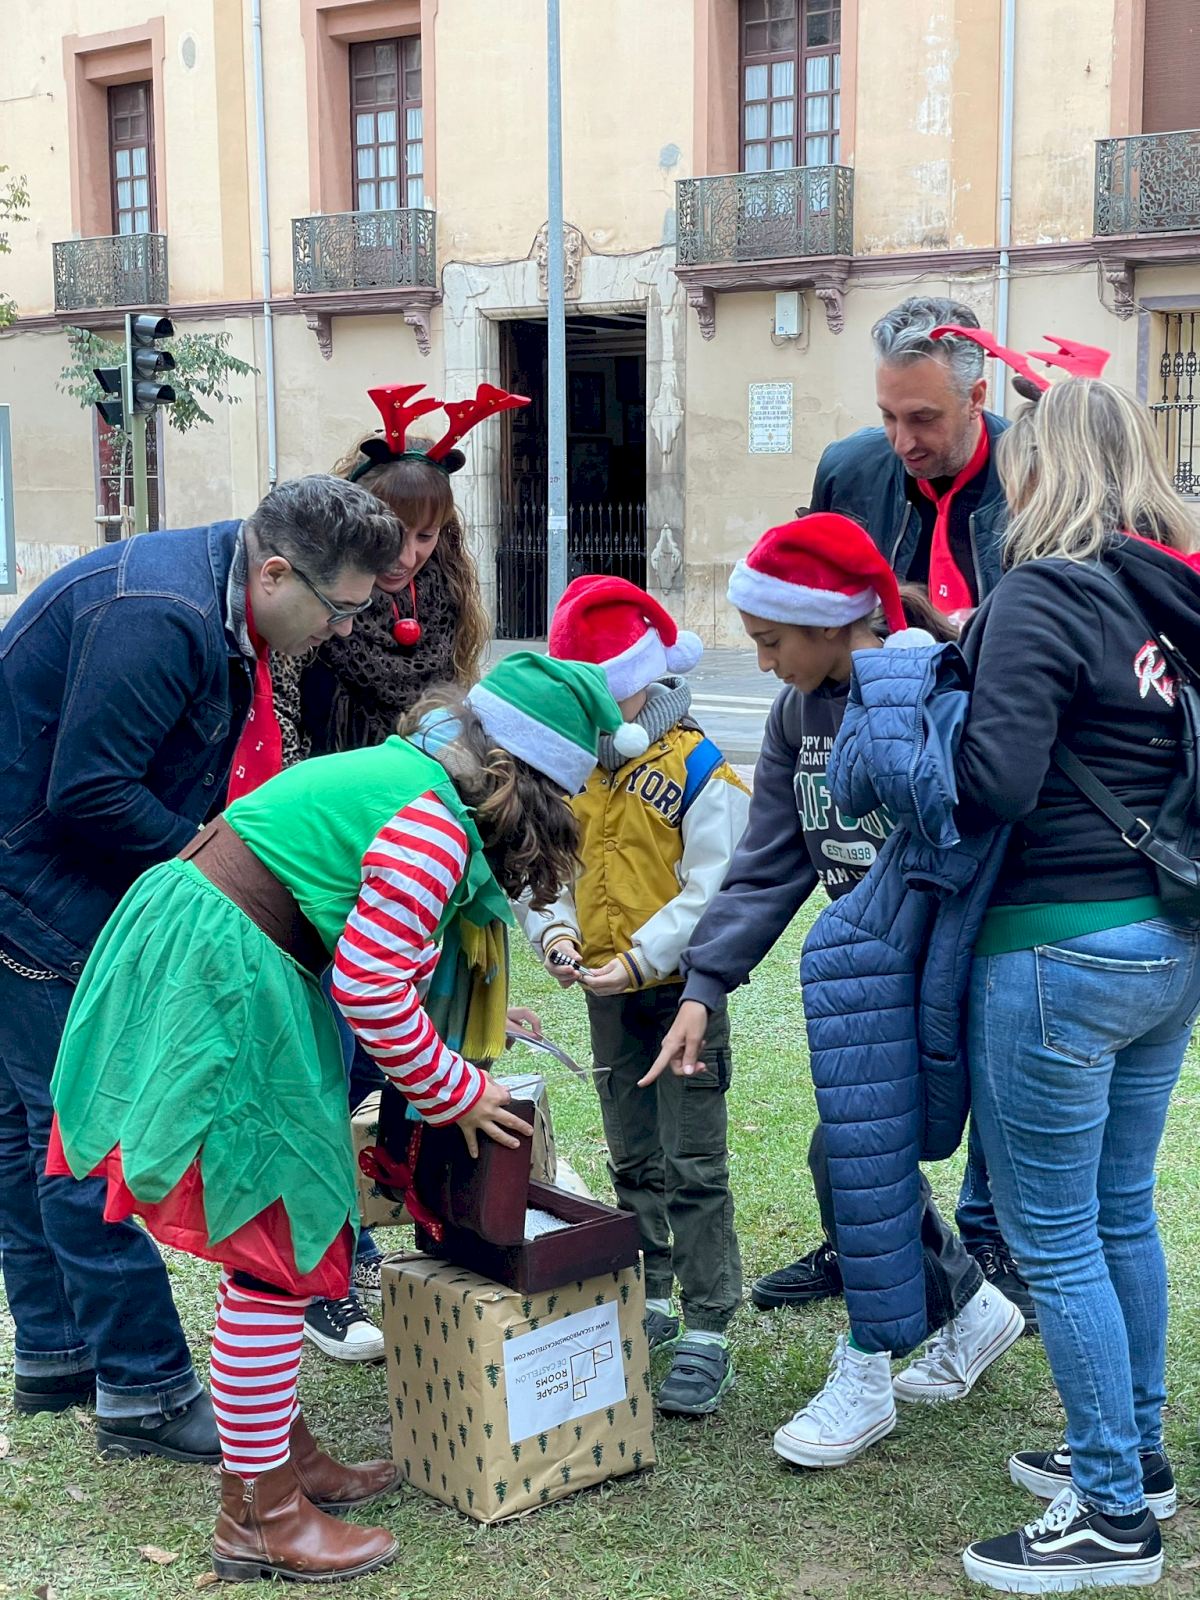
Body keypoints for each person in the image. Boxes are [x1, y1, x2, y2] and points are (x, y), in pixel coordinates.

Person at [47, 651, 641, 1583]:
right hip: (230, 968)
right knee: (277, 1244)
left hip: (223, 944)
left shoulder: (415, 775)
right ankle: (260, 1515)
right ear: (535, 791)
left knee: (279, 1232)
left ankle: (280, 1458)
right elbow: (369, 986)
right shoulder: (433, 828)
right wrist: (458, 1090)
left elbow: (376, 948)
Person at [0, 476, 403, 1464]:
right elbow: (91, 791)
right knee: (80, 1133)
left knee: (22, 1127)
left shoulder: (212, 597)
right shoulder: (163, 617)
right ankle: (143, 1389)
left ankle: (57, 1349)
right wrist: (213, 866)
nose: (342, 631)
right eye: (339, 607)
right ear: (276, 571)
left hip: (40, 870)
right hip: (34, 885)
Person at [649, 516, 1023, 1469]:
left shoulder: (935, 687)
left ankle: (901, 1353)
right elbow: (770, 860)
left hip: (959, 968)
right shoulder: (794, 715)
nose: (764, 663)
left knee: (888, 1158)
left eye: (772, 641)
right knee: (847, 1154)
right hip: (876, 974)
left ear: (830, 623)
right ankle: (963, 1310)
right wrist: (704, 985)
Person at [949, 375, 1200, 1591]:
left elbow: (995, 780)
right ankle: (1136, 1459)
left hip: (1057, 945)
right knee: (1119, 1212)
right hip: (1166, 943)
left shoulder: (1046, 591)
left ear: (1038, 469)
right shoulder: (1170, 602)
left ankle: (1110, 1514)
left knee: (1053, 1235)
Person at [756, 293, 1032, 1327]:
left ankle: (990, 1239)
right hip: (882, 780)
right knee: (870, 1035)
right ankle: (866, 1235)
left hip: (993, 785)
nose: (904, 441)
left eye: (925, 418)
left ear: (978, 393)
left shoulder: (1031, 474)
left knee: (983, 1020)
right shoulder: (852, 470)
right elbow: (815, 596)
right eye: (888, 416)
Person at [272, 381, 512, 1364]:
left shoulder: (448, 605)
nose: (416, 553)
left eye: (433, 533)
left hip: (413, 861)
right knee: (327, 1072)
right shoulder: (320, 610)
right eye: (404, 533)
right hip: (334, 861)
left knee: (402, 1057)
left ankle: (400, 1242)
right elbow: (290, 732)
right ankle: (330, 1270)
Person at [523, 576, 751, 1415]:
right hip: (606, 993)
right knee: (631, 1152)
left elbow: (713, 889)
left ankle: (709, 1323)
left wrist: (642, 957)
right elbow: (542, 866)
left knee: (693, 1159)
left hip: (682, 993)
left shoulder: (700, 767)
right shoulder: (571, 764)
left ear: (642, 680)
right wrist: (553, 931)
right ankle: (648, 1293)